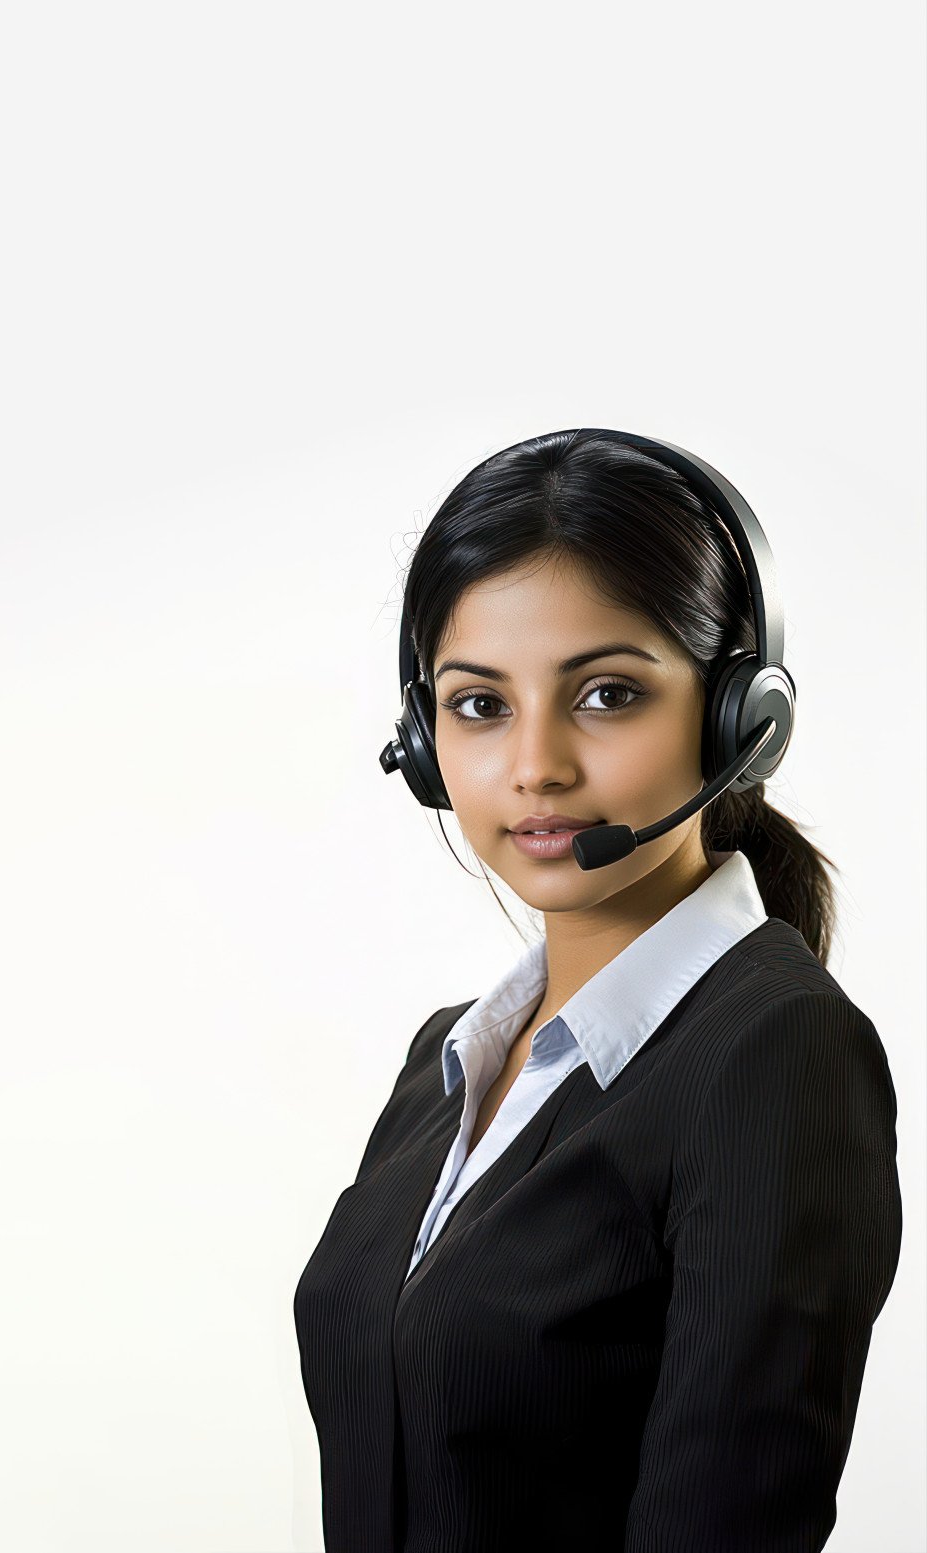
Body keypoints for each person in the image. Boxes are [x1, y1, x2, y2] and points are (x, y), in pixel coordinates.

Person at [293, 429, 903, 1552]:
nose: (536, 765)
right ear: (422, 743)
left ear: (739, 721)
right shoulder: (449, 1064)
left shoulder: (777, 1052)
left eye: (608, 693)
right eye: (479, 706)